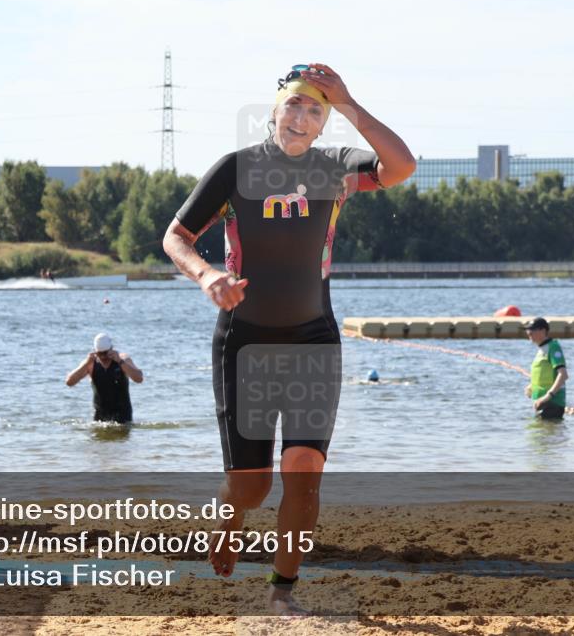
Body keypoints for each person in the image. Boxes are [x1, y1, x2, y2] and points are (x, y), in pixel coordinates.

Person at [162, 63, 415, 615]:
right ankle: (230, 514)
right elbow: (175, 236)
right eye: (293, 106)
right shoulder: (235, 169)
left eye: (315, 110)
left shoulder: (338, 169)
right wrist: (207, 275)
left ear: (325, 124)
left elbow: (401, 166)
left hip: (314, 342)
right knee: (251, 488)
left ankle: (281, 592)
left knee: (303, 474)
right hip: (244, 345)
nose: (302, 118)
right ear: (274, 112)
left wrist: (349, 101)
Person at [65, 333, 143, 423]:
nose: (103, 356)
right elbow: (69, 382)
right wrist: (86, 364)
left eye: (105, 353)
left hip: (123, 415)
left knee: (122, 436)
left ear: (111, 349)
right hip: (99, 417)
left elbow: (139, 378)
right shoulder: (90, 363)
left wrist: (120, 362)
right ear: (95, 351)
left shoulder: (123, 359)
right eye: (99, 353)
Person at [523, 317, 569, 420]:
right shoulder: (541, 349)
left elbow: (563, 374)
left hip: (552, 403)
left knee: (547, 434)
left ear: (543, 331)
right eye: (528, 329)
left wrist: (547, 396)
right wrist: (531, 387)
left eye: (532, 329)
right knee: (537, 433)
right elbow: (544, 374)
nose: (528, 332)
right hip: (541, 402)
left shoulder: (553, 347)